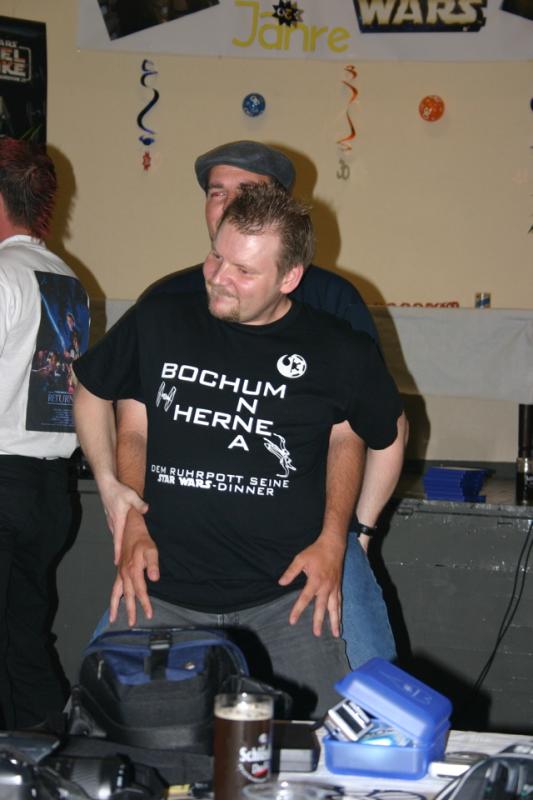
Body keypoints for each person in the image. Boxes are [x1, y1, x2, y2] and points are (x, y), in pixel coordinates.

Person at [74, 183, 405, 719]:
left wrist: (340, 538)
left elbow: (361, 435)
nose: (219, 277)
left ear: (289, 278)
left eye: (244, 271)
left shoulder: (339, 349)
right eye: (216, 257)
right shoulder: (160, 320)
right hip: (159, 591)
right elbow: (92, 390)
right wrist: (113, 491)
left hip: (287, 602)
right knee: (108, 738)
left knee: (325, 744)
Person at [0, 137, 89, 729]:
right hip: (49, 493)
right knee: (21, 640)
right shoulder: (66, 279)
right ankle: (48, 756)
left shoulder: (3, 275)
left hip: (5, 481)